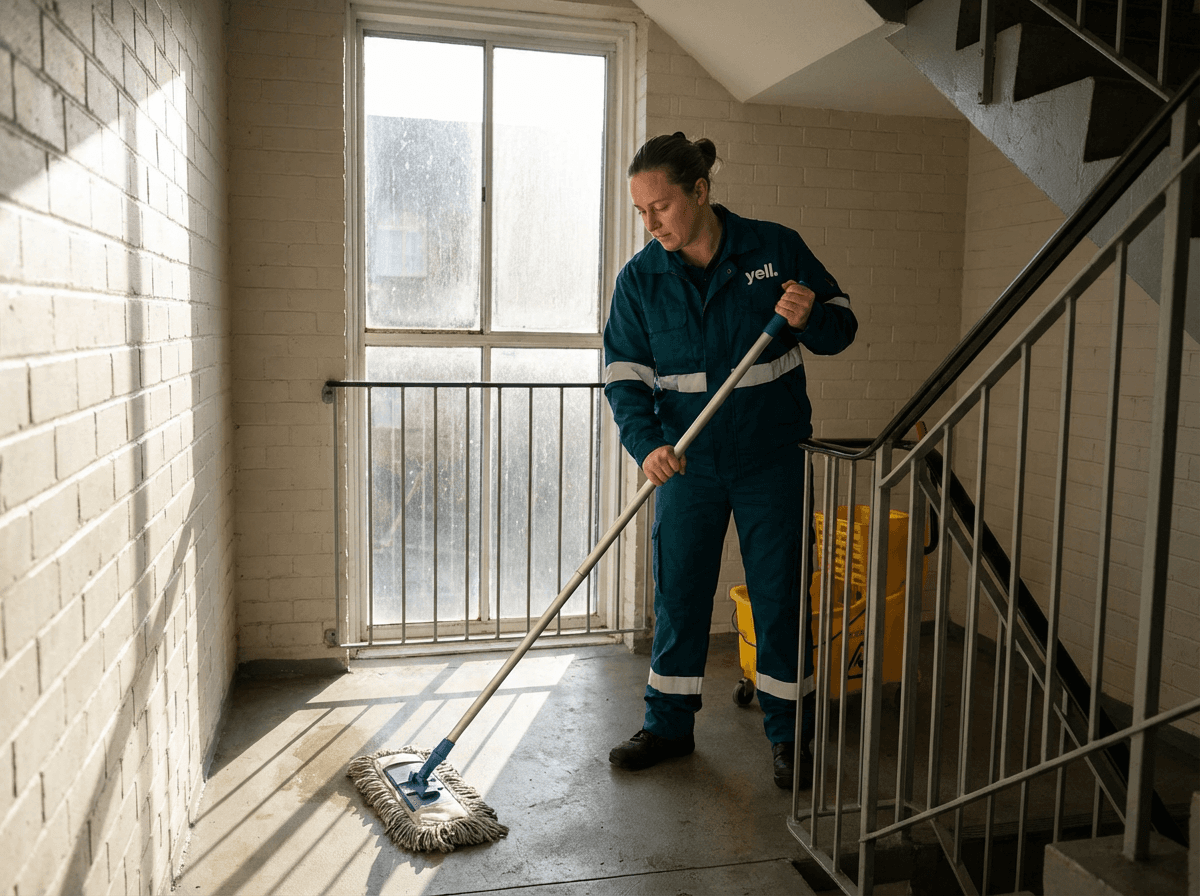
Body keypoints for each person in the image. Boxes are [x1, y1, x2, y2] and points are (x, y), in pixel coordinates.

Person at [603, 132, 857, 789]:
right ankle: (667, 727)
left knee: (780, 597)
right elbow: (625, 379)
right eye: (641, 211)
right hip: (688, 464)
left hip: (771, 458)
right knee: (680, 595)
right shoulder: (640, 280)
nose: (651, 222)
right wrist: (648, 446)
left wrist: (808, 316)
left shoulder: (774, 249)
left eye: (660, 206)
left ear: (699, 191)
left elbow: (841, 327)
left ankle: (790, 737)